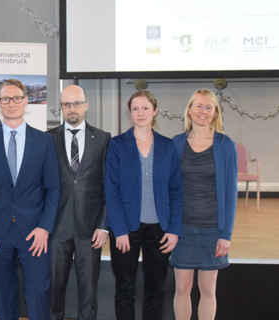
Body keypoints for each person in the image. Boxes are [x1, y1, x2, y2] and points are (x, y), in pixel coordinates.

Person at [0, 79, 60, 320]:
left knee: (38, 294)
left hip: (34, 233)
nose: (12, 103)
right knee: (5, 295)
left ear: (26, 100)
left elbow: (54, 189)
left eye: (17, 98)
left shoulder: (44, 141)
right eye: (6, 99)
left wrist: (45, 228)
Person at [105, 90, 182, 320]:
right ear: (130, 112)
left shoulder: (168, 146)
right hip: (126, 229)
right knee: (125, 287)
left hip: (160, 228)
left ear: (155, 111)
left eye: (145, 108)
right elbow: (111, 190)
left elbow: (176, 190)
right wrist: (119, 230)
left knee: (156, 289)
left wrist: (174, 230)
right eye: (135, 109)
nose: (140, 113)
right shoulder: (117, 144)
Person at [171, 89, 237, 320]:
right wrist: (170, 228)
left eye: (209, 107)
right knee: (182, 288)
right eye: (198, 106)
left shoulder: (225, 144)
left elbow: (231, 192)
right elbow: (169, 188)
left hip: (212, 229)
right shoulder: (176, 143)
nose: (203, 111)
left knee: (208, 289)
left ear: (215, 113)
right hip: (182, 228)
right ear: (189, 110)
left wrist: (226, 234)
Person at [47, 85, 111, 320]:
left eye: (76, 103)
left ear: (86, 106)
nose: (71, 109)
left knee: (88, 292)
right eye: (66, 104)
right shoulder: (48, 138)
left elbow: (108, 186)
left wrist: (104, 226)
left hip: (90, 228)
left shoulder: (102, 139)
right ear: (61, 108)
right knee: (54, 290)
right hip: (57, 227)